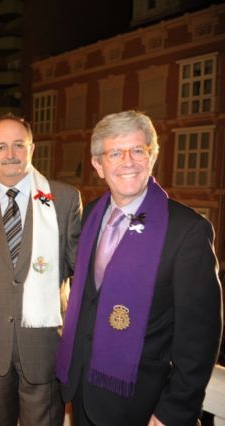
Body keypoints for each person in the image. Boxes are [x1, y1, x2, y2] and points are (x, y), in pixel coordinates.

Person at [56, 110, 223, 426]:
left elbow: (199, 336)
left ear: (152, 157)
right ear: (98, 165)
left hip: (141, 403)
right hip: (82, 391)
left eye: (137, 150)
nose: (127, 161)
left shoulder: (186, 230)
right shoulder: (90, 215)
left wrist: (174, 410)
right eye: (115, 153)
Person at [0, 114, 82, 425]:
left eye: (18, 145)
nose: (10, 155)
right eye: (0, 147)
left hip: (45, 346)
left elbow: (80, 275)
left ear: (32, 149)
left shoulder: (64, 199)